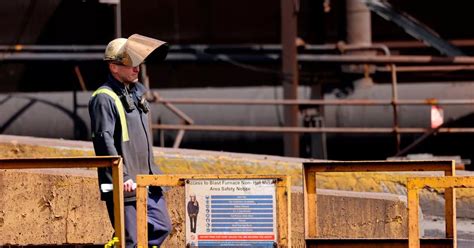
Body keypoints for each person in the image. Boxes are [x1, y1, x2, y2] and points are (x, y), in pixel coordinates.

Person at [89, 34, 171, 248]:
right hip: (120, 182)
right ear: (114, 67)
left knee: (162, 227)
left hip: (146, 178)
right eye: (130, 63)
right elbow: (104, 141)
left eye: (138, 63)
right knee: (129, 240)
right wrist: (121, 175)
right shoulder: (104, 98)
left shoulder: (137, 95)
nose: (137, 68)